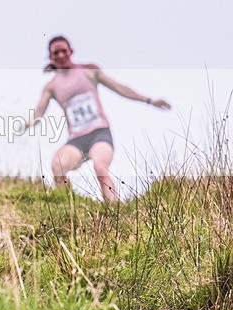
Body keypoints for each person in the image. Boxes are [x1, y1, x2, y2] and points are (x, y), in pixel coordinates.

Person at [23, 35, 171, 201]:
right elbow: (39, 113)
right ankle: (68, 205)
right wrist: (24, 125)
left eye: (64, 51)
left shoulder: (89, 71)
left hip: (99, 134)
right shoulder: (51, 87)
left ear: (71, 51)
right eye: (56, 53)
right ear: (50, 57)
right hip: (76, 140)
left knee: (100, 168)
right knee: (57, 165)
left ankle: (114, 209)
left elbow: (119, 88)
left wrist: (149, 100)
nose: (61, 55)